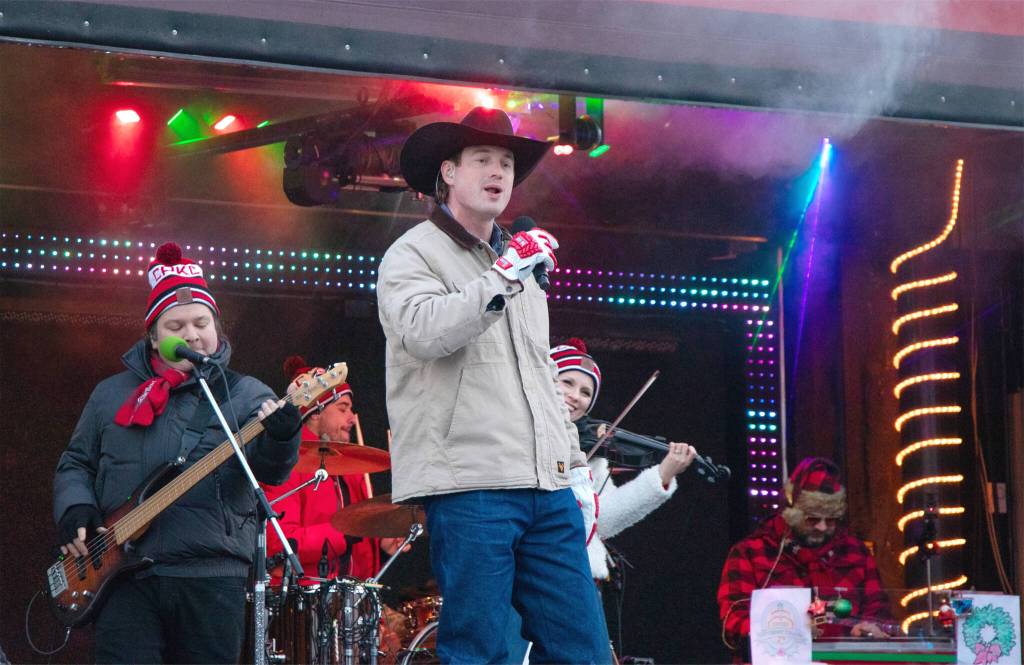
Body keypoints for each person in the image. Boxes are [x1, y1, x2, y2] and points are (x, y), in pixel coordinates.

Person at [376, 106, 611, 664]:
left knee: (585, 650)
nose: (498, 171)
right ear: (448, 173)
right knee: (480, 649)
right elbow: (423, 333)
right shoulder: (411, 253)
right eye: (482, 159)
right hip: (471, 483)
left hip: (547, 485)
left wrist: (570, 460)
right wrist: (502, 277)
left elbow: (538, 375)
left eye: (506, 162)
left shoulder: (522, 267)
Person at [53, 242, 302, 664]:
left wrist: (282, 437)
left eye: (201, 322)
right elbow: (76, 463)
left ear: (217, 328)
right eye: (176, 325)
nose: (191, 334)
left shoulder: (245, 394)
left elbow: (272, 473)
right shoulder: (109, 395)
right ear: (152, 335)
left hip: (211, 578)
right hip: (124, 580)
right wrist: (75, 510)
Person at [549, 338, 698, 581]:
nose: (575, 396)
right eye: (567, 382)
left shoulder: (592, 458)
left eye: (586, 392)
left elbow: (604, 521)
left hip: (578, 575)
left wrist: (663, 475)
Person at [717, 457, 894, 656]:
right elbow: (733, 619)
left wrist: (868, 627)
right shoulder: (750, 552)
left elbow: (878, 608)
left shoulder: (855, 551)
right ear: (790, 509)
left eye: (832, 519)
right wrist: (781, 633)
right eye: (812, 519)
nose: (823, 527)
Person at [263, 356, 405, 583]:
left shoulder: (354, 470)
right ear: (316, 412)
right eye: (343, 408)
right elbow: (277, 544)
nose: (352, 418)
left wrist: (379, 541)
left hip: (354, 604)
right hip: (304, 602)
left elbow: (356, 546)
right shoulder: (287, 464)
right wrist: (348, 531)